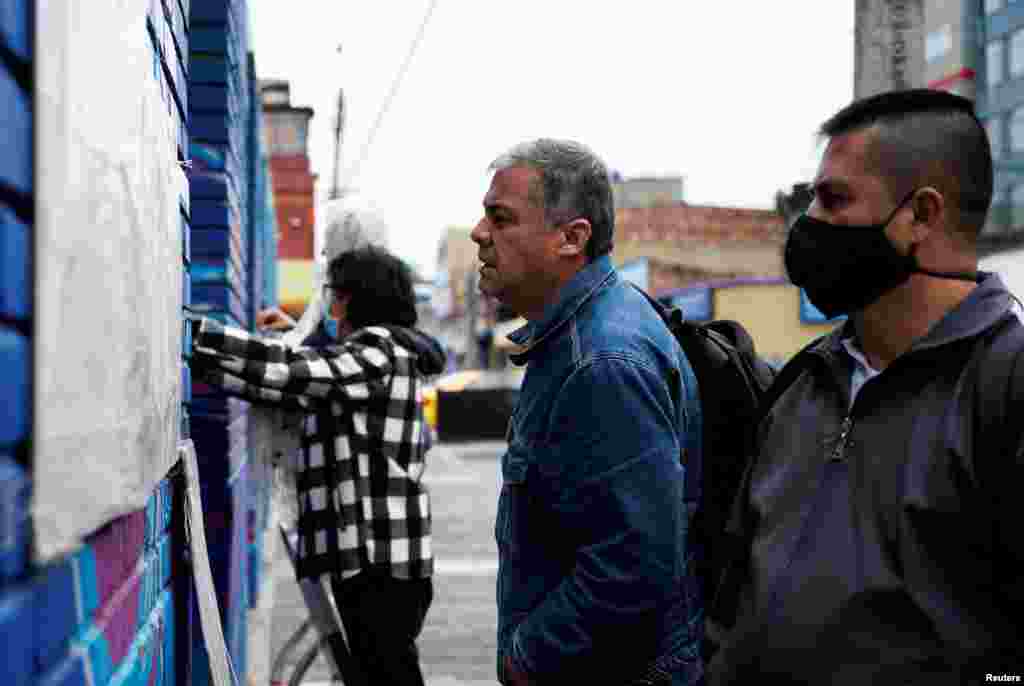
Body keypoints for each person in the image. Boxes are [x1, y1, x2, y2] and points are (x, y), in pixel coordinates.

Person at [707, 89, 1024, 684]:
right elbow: (736, 591)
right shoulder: (803, 386)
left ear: (922, 216)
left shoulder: (1005, 387)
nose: (809, 224)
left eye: (834, 199)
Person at [471, 138, 704, 685]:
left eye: (500, 218)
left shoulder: (601, 359)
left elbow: (635, 563)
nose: (481, 234)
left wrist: (528, 658)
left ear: (571, 238)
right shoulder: (581, 334)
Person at [189, 245, 445, 686]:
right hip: (378, 559)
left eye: (335, 294)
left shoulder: (381, 350)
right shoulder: (376, 355)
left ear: (356, 297)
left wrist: (200, 337)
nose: (330, 305)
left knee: (387, 674)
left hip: (380, 560)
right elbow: (293, 385)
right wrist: (211, 364)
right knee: (372, 672)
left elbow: (300, 372)